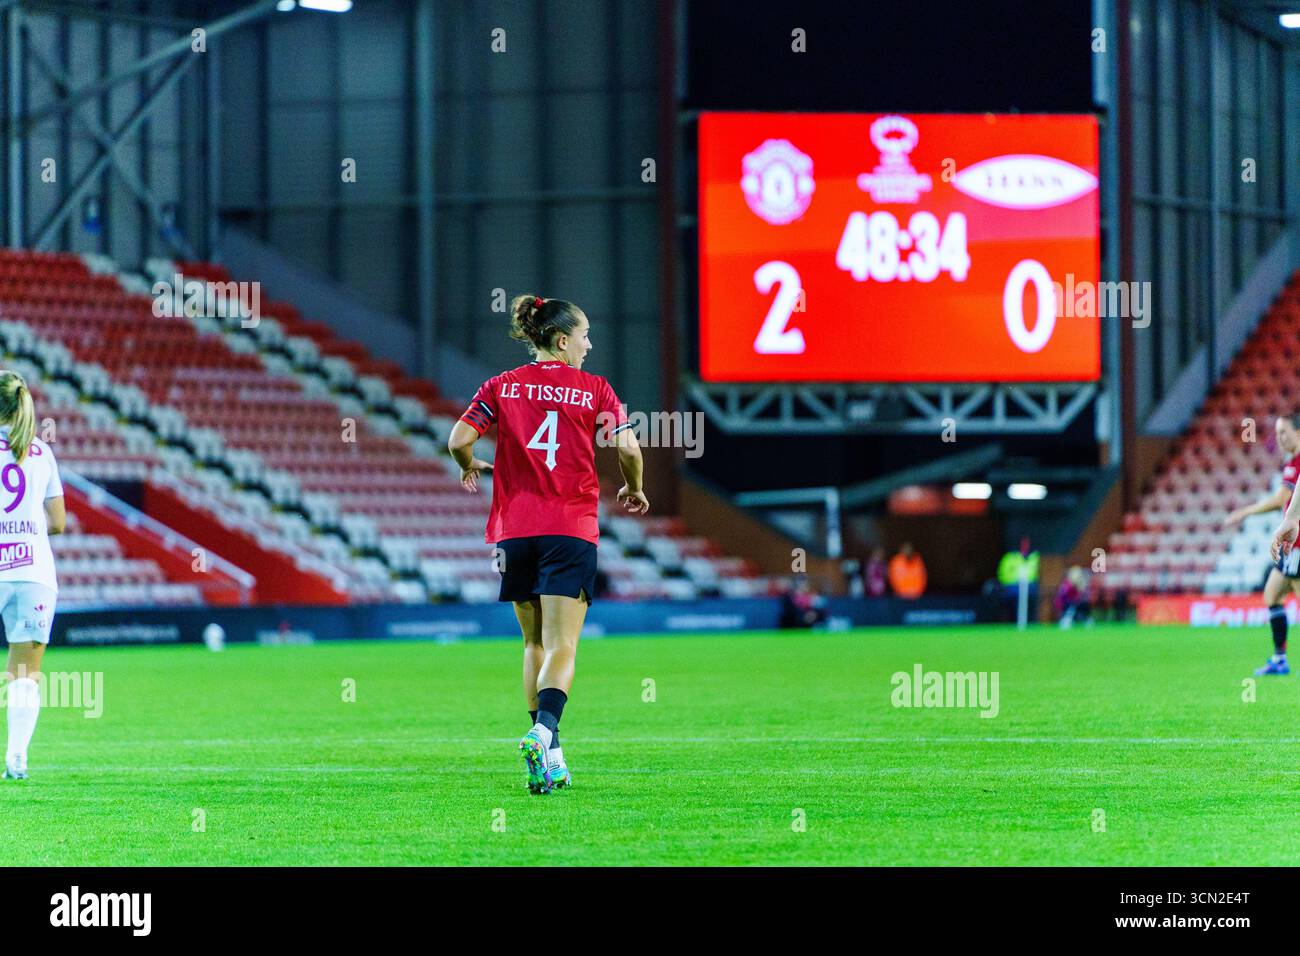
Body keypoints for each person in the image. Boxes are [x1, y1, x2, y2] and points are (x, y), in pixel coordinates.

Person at [448, 295, 648, 795]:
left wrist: (468, 467)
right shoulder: (596, 389)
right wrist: (635, 486)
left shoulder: (500, 386)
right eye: (583, 337)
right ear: (562, 341)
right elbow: (626, 446)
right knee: (564, 645)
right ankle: (542, 732)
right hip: (570, 527)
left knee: (533, 643)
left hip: (514, 532)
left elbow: (457, 440)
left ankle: (552, 757)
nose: (588, 345)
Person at [0, 372, 65, 780]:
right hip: (34, 573)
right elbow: (57, 522)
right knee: (24, 676)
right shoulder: (41, 451)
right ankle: (16, 759)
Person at [1229, 414, 1300, 675]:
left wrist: (1245, 512)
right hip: (1294, 545)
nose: (1280, 438)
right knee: (1272, 594)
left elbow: (1279, 498)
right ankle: (1280, 659)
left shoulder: (1297, 463)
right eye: (1277, 433)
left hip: (1298, 546)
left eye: (1285, 432)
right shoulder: (1292, 462)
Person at [997, 537, 1040, 622]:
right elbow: (1002, 573)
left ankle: (1031, 624)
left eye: (1027, 544)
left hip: (1030, 588)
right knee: (1013, 611)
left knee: (1031, 610)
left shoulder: (1034, 557)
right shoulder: (1010, 557)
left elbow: (1036, 573)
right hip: (1013, 588)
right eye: (1023, 544)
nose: (1026, 546)